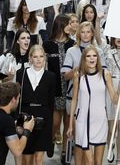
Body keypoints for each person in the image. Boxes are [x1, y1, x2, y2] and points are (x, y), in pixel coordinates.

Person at [66, 46, 119, 165]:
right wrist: (70, 125)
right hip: (82, 122)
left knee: (98, 162)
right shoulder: (78, 74)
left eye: (94, 56)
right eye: (88, 56)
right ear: (84, 59)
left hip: (100, 121)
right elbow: (74, 100)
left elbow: (115, 100)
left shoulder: (105, 74)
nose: (92, 58)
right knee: (89, 161)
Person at [16, 45, 56, 165]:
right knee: (26, 159)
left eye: (41, 56)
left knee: (39, 159)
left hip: (43, 118)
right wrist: (18, 123)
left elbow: (51, 103)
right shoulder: (21, 74)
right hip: (26, 117)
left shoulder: (51, 77)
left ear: (45, 58)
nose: (38, 59)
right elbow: (18, 99)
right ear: (30, 58)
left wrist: (50, 127)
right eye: (35, 56)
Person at [43, 14, 75, 164]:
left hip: (70, 88)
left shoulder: (73, 44)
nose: (72, 26)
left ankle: (65, 152)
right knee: (55, 122)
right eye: (69, 23)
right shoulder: (47, 45)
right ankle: (50, 140)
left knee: (68, 123)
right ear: (61, 25)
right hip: (54, 88)